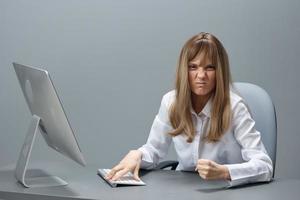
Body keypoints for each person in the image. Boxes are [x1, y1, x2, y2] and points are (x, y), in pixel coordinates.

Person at [106, 32, 273, 187]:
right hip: (184, 190)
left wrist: (225, 171)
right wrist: (137, 154)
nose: (201, 75)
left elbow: (265, 166)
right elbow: (154, 150)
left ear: (220, 71)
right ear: (184, 70)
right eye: (193, 67)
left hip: (225, 191)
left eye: (209, 67)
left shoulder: (235, 107)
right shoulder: (171, 101)